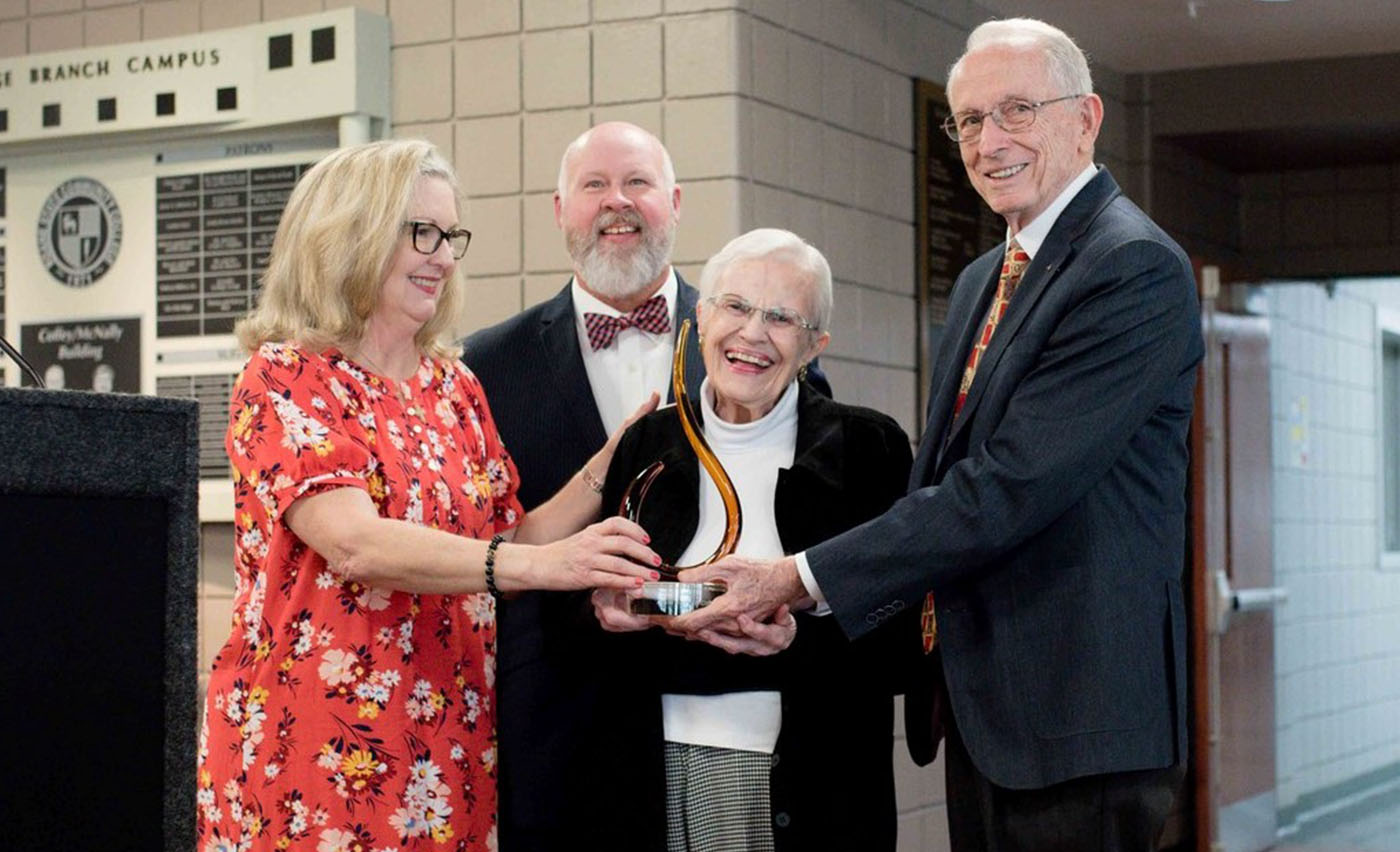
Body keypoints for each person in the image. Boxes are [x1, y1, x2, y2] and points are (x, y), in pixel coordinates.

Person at [677, 18, 1203, 852]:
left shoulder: (1130, 266)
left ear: (1086, 117)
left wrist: (795, 577)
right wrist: (811, 614)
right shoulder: (981, 279)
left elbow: (1007, 489)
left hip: (1077, 712)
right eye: (967, 120)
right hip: (986, 709)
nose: (989, 141)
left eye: (1017, 111)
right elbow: (939, 489)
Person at [196, 139, 661, 852]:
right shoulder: (286, 376)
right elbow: (355, 544)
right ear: (350, 234)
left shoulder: (453, 385)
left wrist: (611, 459)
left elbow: (504, 544)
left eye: (450, 237)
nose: (444, 256)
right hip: (317, 750)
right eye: (422, 233)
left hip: (447, 740)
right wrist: (548, 567)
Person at [460, 122, 829, 849]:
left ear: (677, 202)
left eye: (637, 184)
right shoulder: (484, 366)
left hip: (733, 724)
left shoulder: (761, 339)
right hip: (562, 731)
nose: (616, 203)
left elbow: (816, 528)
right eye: (594, 186)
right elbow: (482, 548)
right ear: (559, 207)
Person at [588, 228, 914, 851]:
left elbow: (903, 642)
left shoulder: (868, 449)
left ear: (815, 344)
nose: (753, 334)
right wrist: (607, 606)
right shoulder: (646, 445)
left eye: (782, 317)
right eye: (735, 306)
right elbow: (602, 612)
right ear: (701, 315)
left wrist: (800, 631)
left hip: (814, 783)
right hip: (648, 773)